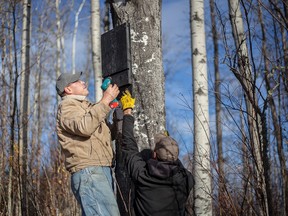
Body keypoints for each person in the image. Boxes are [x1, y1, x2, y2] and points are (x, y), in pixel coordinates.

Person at [120, 90, 194, 216]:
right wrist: (168, 142)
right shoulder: (186, 179)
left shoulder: (143, 175)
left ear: (154, 154)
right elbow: (177, 165)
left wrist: (127, 112)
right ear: (175, 157)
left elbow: (129, 147)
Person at [56, 72, 120, 216]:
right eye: (77, 81)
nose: (83, 82)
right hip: (88, 171)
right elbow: (84, 127)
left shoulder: (87, 106)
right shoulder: (67, 106)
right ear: (68, 89)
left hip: (98, 169)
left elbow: (109, 134)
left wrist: (119, 114)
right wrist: (105, 100)